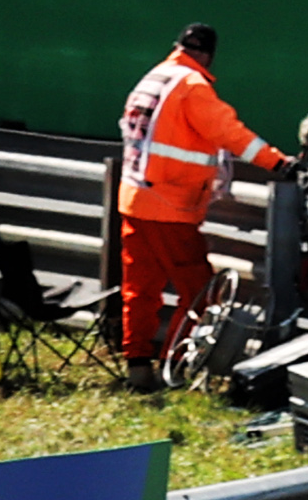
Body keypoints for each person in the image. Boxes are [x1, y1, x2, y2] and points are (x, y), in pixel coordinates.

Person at [113, 22, 292, 378]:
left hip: (133, 201)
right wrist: (279, 162)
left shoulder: (154, 77)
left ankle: (136, 366)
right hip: (170, 205)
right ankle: (174, 365)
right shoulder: (193, 87)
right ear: (209, 57)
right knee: (200, 294)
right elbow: (230, 133)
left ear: (177, 45)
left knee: (140, 289)